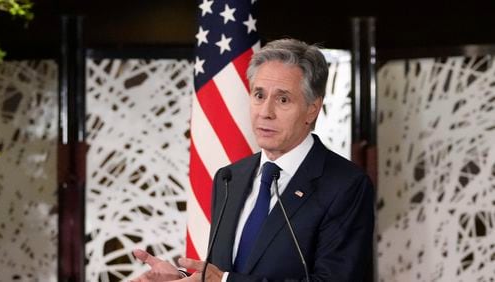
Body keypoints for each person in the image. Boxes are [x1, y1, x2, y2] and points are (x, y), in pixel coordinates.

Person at [131, 38, 374, 282]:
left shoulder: (346, 185)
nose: (265, 112)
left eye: (283, 99)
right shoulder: (229, 178)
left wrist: (226, 281)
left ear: (312, 109)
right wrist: (183, 278)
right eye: (259, 95)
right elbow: (224, 271)